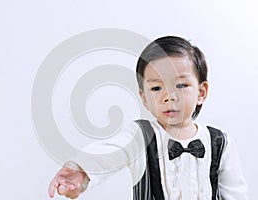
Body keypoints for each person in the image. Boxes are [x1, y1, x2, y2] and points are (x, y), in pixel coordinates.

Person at [48, 36, 249, 199]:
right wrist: (81, 168)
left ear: (201, 92)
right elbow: (110, 151)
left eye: (181, 85)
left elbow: (235, 194)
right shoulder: (140, 137)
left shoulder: (221, 143)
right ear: (144, 98)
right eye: (156, 87)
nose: (169, 96)